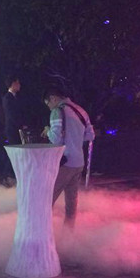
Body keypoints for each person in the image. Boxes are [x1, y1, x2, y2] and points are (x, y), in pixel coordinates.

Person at [42, 87, 95, 226]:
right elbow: (90, 135)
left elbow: (56, 139)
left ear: (53, 98)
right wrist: (75, 138)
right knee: (71, 202)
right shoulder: (81, 110)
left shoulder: (57, 112)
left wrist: (48, 130)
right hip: (79, 162)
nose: (49, 107)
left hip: (64, 163)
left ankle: (43, 232)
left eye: (48, 103)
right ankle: (69, 233)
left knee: (47, 199)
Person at [2, 74, 24, 146]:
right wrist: (20, 124)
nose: (19, 85)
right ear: (13, 84)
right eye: (18, 83)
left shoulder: (17, 97)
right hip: (12, 129)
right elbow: (11, 115)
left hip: (17, 129)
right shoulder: (7, 98)